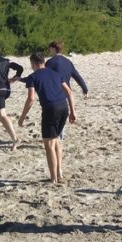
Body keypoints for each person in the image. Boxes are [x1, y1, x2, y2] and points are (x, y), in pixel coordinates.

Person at [18, 52, 77, 183]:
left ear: (33, 63)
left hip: (50, 109)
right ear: (44, 61)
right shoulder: (56, 74)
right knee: (56, 141)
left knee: (49, 144)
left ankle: (53, 179)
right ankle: (59, 173)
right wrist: (73, 112)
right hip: (64, 107)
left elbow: (31, 98)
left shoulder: (32, 77)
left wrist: (22, 117)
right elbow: (69, 92)